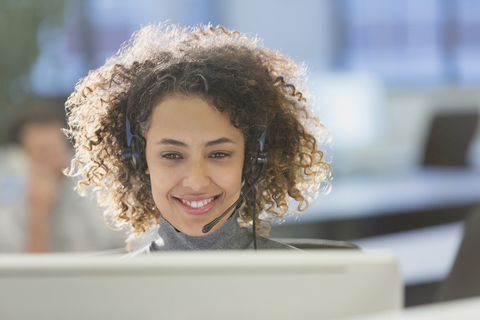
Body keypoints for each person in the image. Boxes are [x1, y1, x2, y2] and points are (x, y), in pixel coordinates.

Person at [64, 23, 331, 253]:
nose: (196, 181)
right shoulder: (107, 292)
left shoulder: (309, 282)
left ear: (251, 160)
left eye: (218, 154)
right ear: (138, 159)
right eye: (172, 156)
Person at [0, 106, 128, 253]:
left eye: (58, 149)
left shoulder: (96, 189)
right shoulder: (8, 209)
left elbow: (130, 249)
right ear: (19, 160)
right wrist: (39, 215)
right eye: (43, 153)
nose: (56, 161)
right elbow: (29, 274)